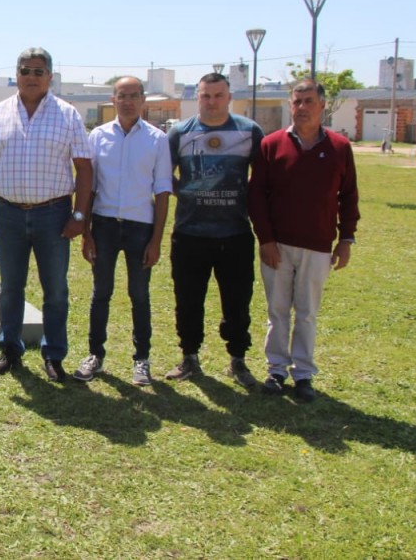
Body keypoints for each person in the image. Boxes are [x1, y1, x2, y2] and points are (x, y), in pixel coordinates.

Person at [0, 47, 92, 382]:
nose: (31, 77)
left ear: (50, 77)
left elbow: (84, 168)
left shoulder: (67, 115)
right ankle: (10, 348)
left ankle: (53, 354)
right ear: (17, 75)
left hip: (54, 214)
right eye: (25, 70)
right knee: (10, 287)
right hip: (8, 213)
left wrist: (79, 216)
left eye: (39, 71)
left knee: (55, 290)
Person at [248, 79, 359, 402]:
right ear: (290, 105)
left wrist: (346, 239)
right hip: (278, 245)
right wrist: (266, 240)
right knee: (278, 310)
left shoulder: (339, 147)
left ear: (322, 105)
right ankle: (276, 370)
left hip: (318, 245)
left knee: (307, 312)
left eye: (309, 101)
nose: (302, 107)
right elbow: (256, 196)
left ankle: (303, 374)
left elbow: (348, 196)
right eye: (297, 102)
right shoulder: (271, 144)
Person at [164, 72, 264, 387]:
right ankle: (189, 357)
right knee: (188, 301)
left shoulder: (249, 131)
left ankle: (238, 360)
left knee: (237, 302)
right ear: (198, 98)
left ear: (229, 97)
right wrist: (186, 193)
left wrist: (244, 195)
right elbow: (164, 174)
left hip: (234, 235)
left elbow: (263, 177)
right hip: (190, 234)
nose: (212, 102)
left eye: (218, 95)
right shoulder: (180, 133)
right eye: (206, 96)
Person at [73, 76, 172, 386]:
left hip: (140, 228)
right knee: (101, 292)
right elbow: (89, 188)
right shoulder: (98, 136)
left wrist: (156, 240)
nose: (128, 101)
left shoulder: (157, 139)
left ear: (143, 100)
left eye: (134, 95)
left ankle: (142, 359)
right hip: (103, 226)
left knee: (139, 295)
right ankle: (95, 355)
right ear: (113, 100)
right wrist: (86, 232)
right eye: (122, 95)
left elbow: (163, 192)